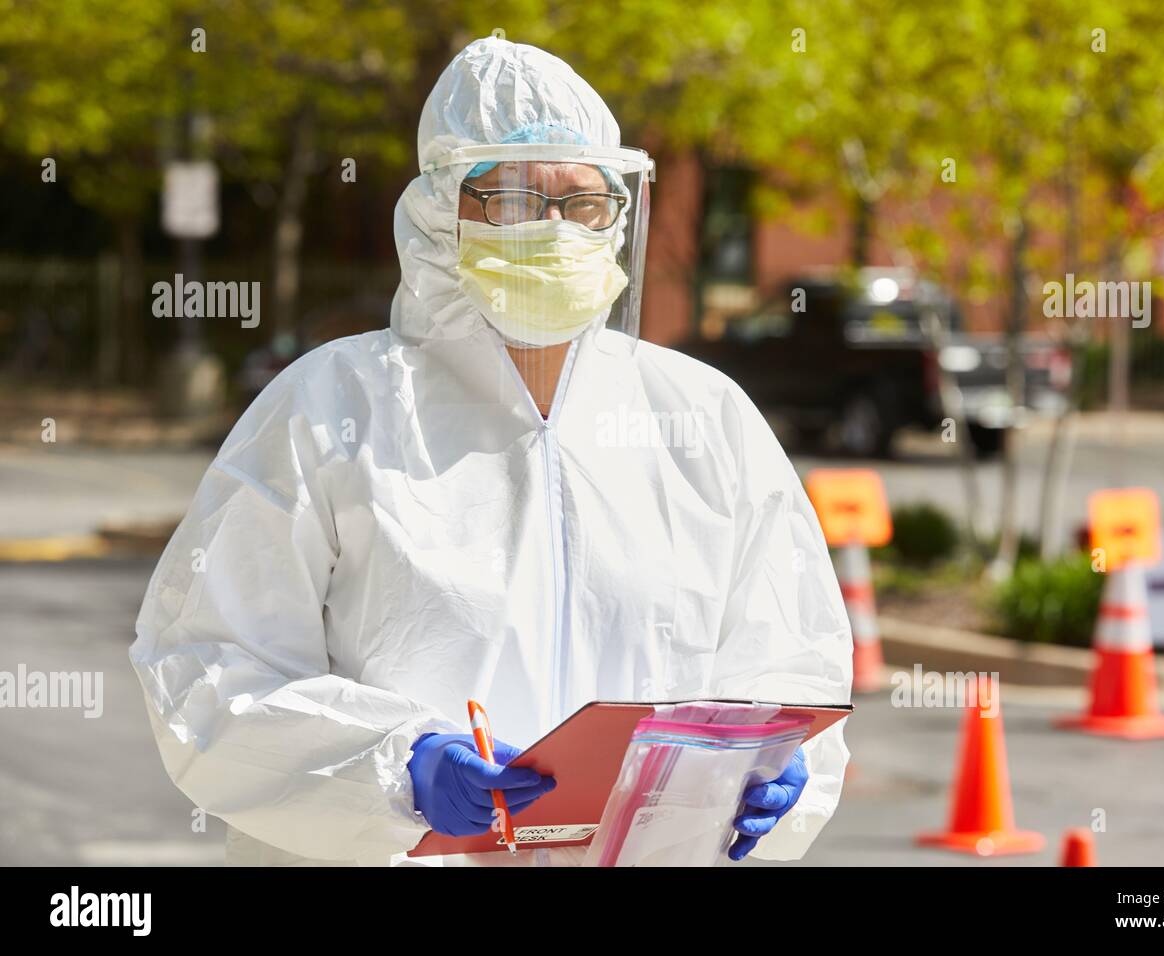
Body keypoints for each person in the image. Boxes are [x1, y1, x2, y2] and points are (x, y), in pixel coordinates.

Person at [129, 36, 851, 867]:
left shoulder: (701, 417)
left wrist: (777, 766)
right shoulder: (333, 406)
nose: (553, 229)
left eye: (584, 202)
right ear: (440, 211)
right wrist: (395, 766)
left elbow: (792, 658)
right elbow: (207, 668)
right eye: (510, 197)